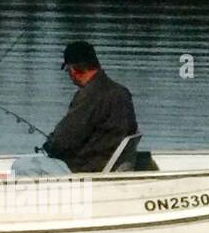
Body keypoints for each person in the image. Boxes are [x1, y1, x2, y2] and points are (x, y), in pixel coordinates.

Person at [10, 41, 138, 177]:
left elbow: (63, 142)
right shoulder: (122, 92)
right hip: (109, 165)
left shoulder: (90, 96)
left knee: (21, 165)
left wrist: (49, 145)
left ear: (73, 70)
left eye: (67, 70)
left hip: (87, 171)